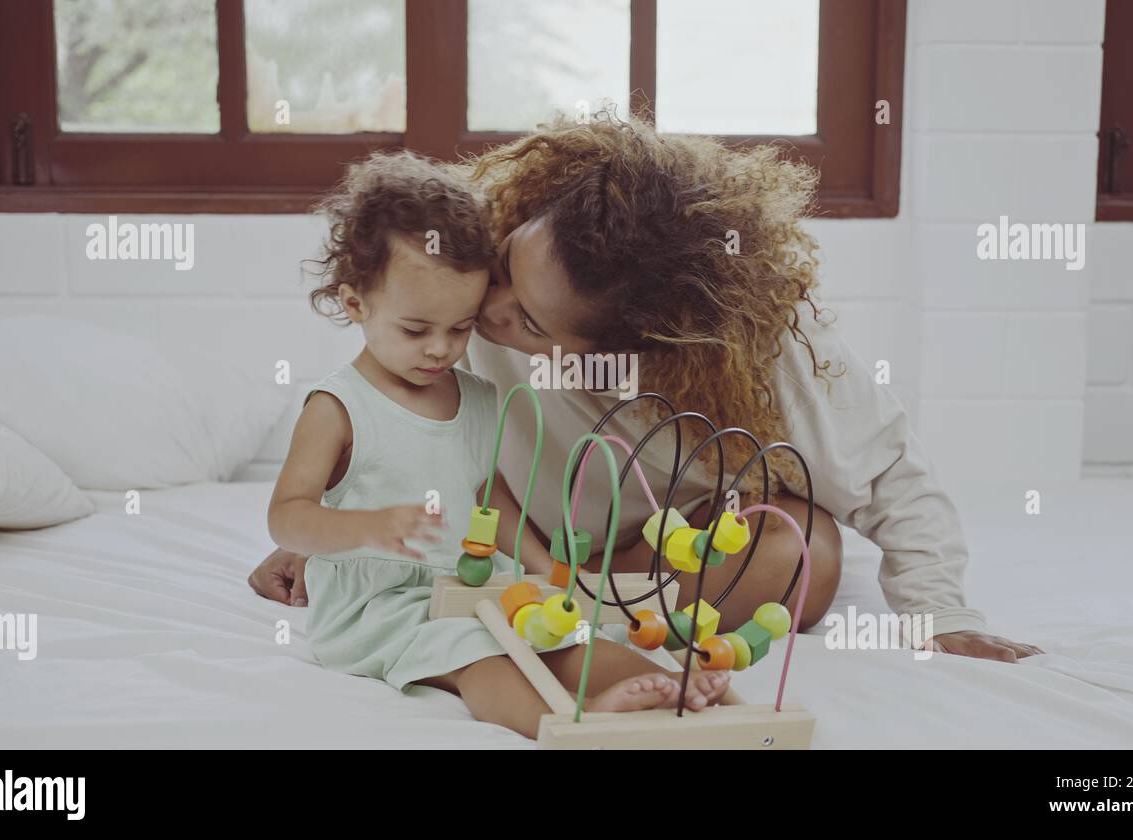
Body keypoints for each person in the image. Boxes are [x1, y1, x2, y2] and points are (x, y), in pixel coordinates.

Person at [252, 114, 1042, 664]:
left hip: (651, 555)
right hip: (509, 532)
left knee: (804, 551)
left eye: (529, 321)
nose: (487, 313)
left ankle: (590, 614)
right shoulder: (471, 270)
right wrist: (322, 529)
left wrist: (943, 615)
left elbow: (891, 476)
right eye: (506, 265)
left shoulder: (761, 361)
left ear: (635, 346)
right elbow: (397, 398)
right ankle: (559, 606)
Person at [268, 150, 732, 739]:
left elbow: (489, 496)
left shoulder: (477, 397)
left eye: (460, 328)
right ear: (356, 303)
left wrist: (548, 570)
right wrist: (366, 527)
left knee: (562, 627)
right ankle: (559, 723)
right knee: (477, 651)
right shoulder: (338, 408)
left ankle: (666, 686)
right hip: (383, 602)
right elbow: (287, 517)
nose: (441, 349)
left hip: (469, 582)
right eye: (416, 330)